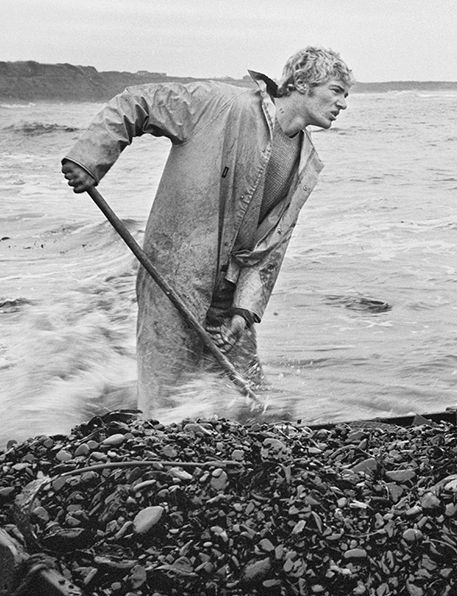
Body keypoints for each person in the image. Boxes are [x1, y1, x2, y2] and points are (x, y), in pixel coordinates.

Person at [61, 46, 352, 414]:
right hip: (175, 269)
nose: (343, 103)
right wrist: (89, 157)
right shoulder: (220, 104)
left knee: (244, 395)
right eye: (337, 91)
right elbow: (139, 101)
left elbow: (270, 249)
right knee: (166, 393)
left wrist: (244, 312)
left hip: (229, 290)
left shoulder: (306, 161)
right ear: (303, 84)